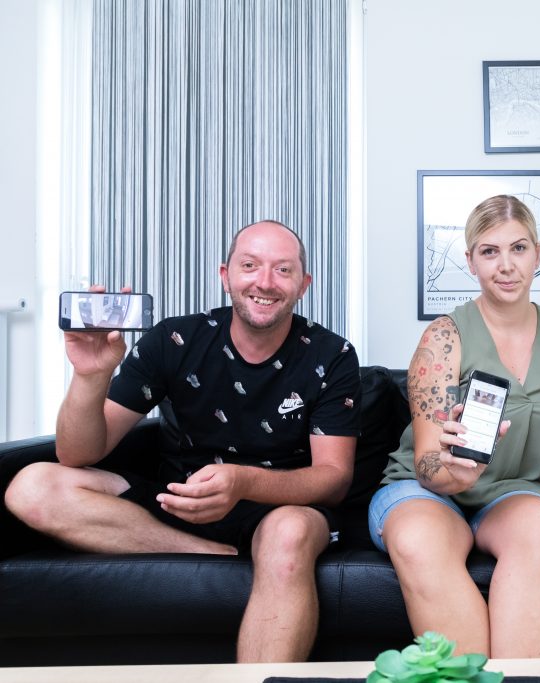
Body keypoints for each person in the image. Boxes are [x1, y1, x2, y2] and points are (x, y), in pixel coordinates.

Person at [4, 220, 362, 662]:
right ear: (225, 275)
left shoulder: (332, 354)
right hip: (176, 498)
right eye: (250, 265)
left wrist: (243, 482)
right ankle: (213, 553)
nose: (265, 282)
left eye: (283, 270)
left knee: (289, 533)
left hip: (279, 508)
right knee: (31, 486)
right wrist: (90, 375)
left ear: (303, 285)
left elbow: (334, 479)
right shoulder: (174, 339)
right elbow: (76, 454)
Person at [369, 195, 540, 658]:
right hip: (426, 491)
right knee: (420, 538)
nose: (506, 265)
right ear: (470, 262)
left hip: (516, 494)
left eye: (518, 248)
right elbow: (427, 465)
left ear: (538, 254)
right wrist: (452, 472)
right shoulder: (444, 337)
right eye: (489, 252)